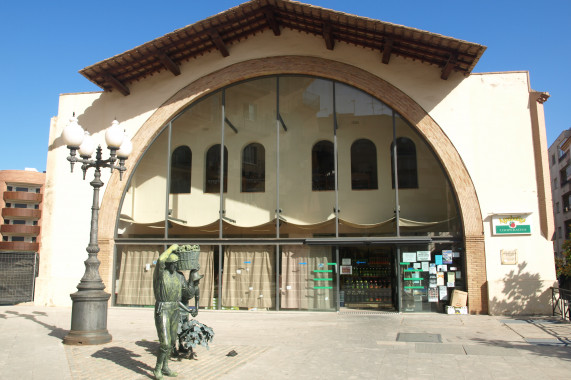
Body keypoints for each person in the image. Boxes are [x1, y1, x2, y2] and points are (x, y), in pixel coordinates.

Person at [152, 244, 181, 379]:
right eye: (173, 264)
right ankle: (157, 369)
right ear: (169, 264)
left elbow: (183, 293)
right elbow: (160, 260)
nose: (175, 266)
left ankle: (165, 367)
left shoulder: (177, 276)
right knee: (165, 342)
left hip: (174, 309)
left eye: (176, 263)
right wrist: (171, 248)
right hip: (162, 309)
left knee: (172, 341)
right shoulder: (161, 274)